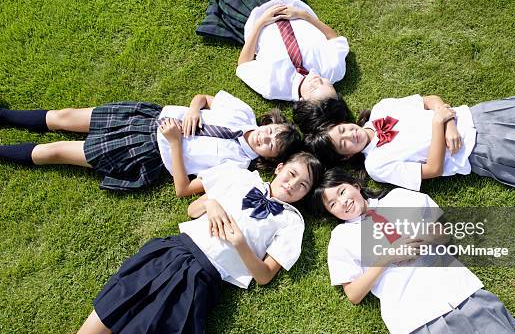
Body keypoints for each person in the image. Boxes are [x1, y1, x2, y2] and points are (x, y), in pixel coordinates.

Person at [42, 152, 323, 334]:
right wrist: (211, 204)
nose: (292, 184)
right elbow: (192, 208)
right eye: (292, 174)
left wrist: (240, 244)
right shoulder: (241, 178)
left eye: (302, 186)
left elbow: (265, 276)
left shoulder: (291, 221)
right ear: (279, 167)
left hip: (195, 284)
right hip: (168, 256)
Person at [311, 168, 515, 334]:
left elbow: (443, 231)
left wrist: (420, 240)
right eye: (332, 204)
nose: (342, 202)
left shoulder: (401, 198)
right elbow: (354, 294)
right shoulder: (341, 239)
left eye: (341, 192)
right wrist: (387, 258)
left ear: (355, 186)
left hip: (460, 292)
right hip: (419, 317)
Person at [0, 90, 302, 195]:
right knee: (64, 117)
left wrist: (173, 143)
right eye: (273, 132)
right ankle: (4, 115)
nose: (267, 137)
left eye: (273, 145)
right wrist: (195, 109)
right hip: (143, 117)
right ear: (271, 123)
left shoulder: (237, 169)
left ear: (271, 159)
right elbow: (204, 98)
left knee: (56, 152)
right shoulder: (243, 113)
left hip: (144, 152)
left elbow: (183, 190)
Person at [306, 94, 515, 191]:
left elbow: (430, 100)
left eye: (343, 130)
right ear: (346, 158)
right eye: (343, 145)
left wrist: (447, 120)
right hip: (482, 150)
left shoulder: (383, 108)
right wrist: (440, 126)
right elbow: (434, 169)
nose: (349, 136)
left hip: (484, 116)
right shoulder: (376, 165)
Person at [194, 0, 349, 119]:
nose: (317, 79)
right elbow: (334, 39)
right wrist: (303, 15)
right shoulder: (335, 70)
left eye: (315, 87)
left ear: (302, 102)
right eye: (327, 84)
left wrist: (261, 22)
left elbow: (243, 65)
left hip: (249, 10)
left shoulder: (273, 87)